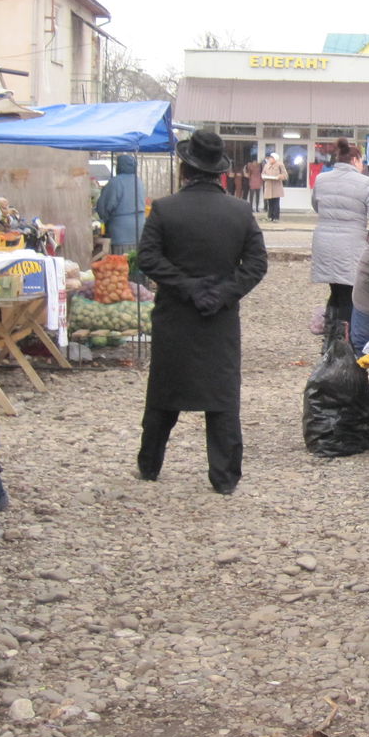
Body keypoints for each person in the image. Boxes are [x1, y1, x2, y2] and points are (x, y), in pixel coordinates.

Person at [135, 131, 268, 495]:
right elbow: (256, 264)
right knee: (222, 395)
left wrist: (187, 286)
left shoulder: (165, 209)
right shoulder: (239, 211)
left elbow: (148, 258)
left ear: (185, 169)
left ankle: (149, 464)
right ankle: (224, 477)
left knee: (164, 391)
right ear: (220, 172)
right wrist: (222, 292)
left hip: (175, 315)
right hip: (219, 317)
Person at [310, 137, 369, 338]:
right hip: (352, 244)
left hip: (323, 242)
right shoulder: (365, 183)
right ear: (355, 160)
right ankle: (345, 339)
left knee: (335, 289)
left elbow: (316, 205)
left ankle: (331, 333)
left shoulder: (321, 179)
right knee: (351, 294)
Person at [95, 155, 147, 252]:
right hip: (139, 229)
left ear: (119, 166)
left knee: (120, 259)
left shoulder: (115, 182)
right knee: (134, 258)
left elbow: (104, 207)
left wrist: (103, 220)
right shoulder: (139, 181)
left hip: (120, 233)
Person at [260, 152, 285, 221]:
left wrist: (279, 176)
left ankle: (276, 217)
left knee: (276, 202)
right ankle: (270, 216)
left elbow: (285, 175)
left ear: (275, 159)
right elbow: (263, 174)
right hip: (268, 186)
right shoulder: (266, 165)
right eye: (270, 158)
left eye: (271, 158)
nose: (270, 159)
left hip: (276, 186)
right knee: (270, 202)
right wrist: (264, 177)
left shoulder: (280, 165)